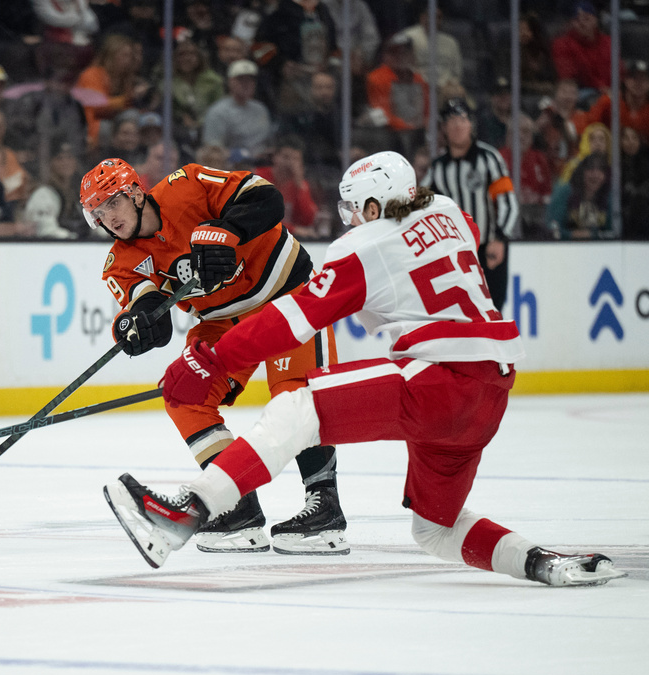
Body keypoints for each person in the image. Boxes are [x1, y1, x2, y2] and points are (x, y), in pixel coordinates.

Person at [104, 150, 626, 588]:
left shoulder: (365, 246)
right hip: (490, 396)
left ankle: (185, 513)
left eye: (356, 209)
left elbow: (293, 317)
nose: (351, 220)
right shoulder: (452, 214)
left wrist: (212, 359)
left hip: (438, 380)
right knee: (435, 531)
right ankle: (545, 564)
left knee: (299, 406)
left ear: (375, 204)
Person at [80, 157, 349, 556]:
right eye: (98, 213)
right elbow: (152, 313)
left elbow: (267, 199)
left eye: (112, 205)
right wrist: (136, 324)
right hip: (223, 322)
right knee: (182, 392)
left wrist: (227, 230)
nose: (108, 219)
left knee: (296, 397)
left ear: (136, 192)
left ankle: (324, 507)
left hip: (288, 296)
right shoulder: (120, 263)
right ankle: (238, 506)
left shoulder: (185, 185)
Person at [423, 99, 519, 311]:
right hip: (455, 252)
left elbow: (507, 202)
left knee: (492, 310)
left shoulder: (489, 158)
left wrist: (500, 238)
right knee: (460, 314)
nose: (458, 125)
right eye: (451, 121)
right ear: (444, 128)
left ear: (471, 125)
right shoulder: (438, 168)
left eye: (462, 119)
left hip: (489, 247)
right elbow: (421, 208)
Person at [201, 59, 272, 160]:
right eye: (241, 79)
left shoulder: (261, 109)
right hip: (233, 168)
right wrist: (243, 155)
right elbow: (212, 151)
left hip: (263, 165)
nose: (246, 84)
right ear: (230, 81)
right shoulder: (218, 112)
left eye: (250, 79)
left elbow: (268, 143)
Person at [254, 136, 319, 239]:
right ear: (275, 157)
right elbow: (260, 218)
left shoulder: (300, 184)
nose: (290, 163)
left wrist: (300, 186)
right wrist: (293, 230)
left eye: (295, 159)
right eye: (286, 157)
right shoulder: (258, 178)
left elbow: (308, 220)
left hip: (287, 241)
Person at [545, 152, 614, 240]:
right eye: (591, 169)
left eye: (600, 170)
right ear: (582, 172)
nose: (595, 175)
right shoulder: (565, 192)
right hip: (565, 248)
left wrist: (594, 235)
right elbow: (552, 225)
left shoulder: (609, 196)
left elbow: (613, 231)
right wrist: (571, 235)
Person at [551, 1, 611, 99]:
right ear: (571, 23)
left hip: (609, 90)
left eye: (587, 18)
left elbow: (618, 71)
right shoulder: (561, 44)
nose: (582, 23)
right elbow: (569, 78)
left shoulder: (608, 42)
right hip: (580, 92)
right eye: (577, 20)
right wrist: (601, 87)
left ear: (595, 20)